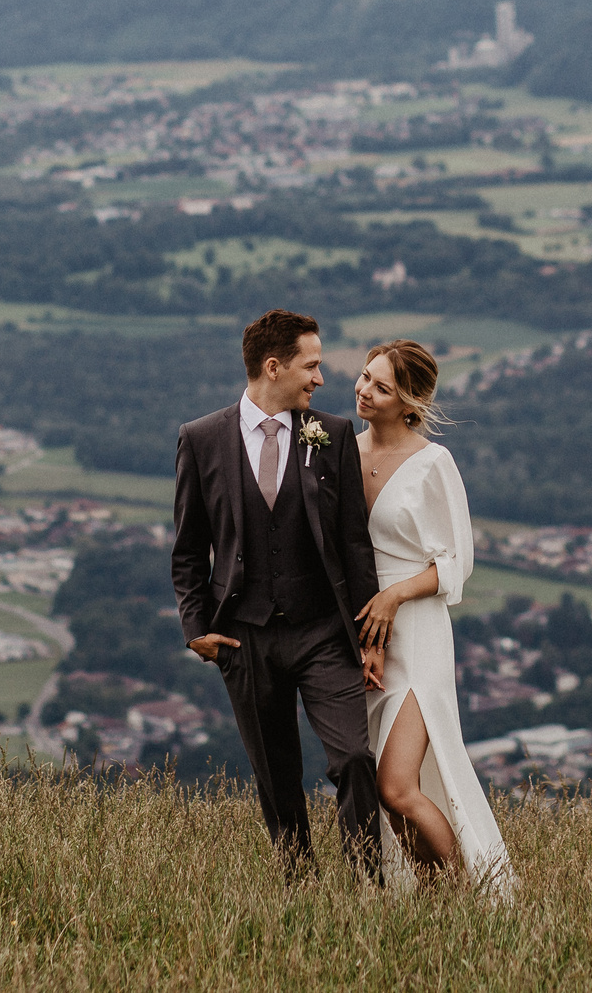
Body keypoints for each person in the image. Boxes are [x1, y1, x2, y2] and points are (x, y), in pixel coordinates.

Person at [171, 309, 384, 877]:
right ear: (274, 366)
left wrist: (369, 637)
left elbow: (353, 545)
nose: (320, 378)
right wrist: (197, 630)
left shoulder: (333, 435)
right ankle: (301, 888)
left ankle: (369, 883)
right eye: (311, 366)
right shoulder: (201, 439)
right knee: (277, 775)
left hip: (322, 633)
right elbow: (189, 550)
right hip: (243, 638)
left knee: (356, 757)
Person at [352, 339, 514, 896]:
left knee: (396, 786)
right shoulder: (343, 453)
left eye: (382, 387)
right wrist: (364, 632)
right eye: (366, 378)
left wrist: (394, 597)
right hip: (368, 637)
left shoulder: (434, 463)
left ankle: (461, 891)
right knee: (385, 787)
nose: (365, 391)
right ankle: (427, 897)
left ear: (409, 402)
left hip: (417, 635)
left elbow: (456, 566)